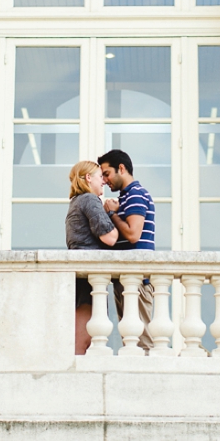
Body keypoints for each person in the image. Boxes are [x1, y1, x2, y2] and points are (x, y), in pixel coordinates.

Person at [97, 148, 155, 352]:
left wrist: (112, 214)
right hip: (127, 280)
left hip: (137, 281)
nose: (104, 180)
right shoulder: (126, 197)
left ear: (121, 168)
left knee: (143, 342)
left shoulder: (136, 195)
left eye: (106, 173)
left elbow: (133, 234)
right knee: (131, 341)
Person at [65, 161, 118, 355]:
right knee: (83, 340)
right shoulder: (89, 199)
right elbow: (110, 237)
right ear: (88, 178)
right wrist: (112, 212)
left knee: (84, 338)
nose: (103, 181)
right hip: (88, 279)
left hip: (81, 278)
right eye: (99, 176)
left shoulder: (76, 202)